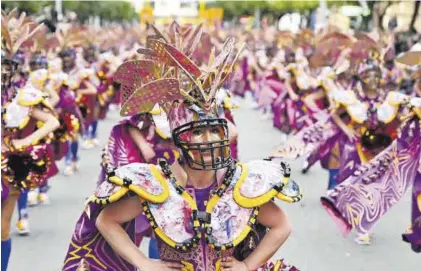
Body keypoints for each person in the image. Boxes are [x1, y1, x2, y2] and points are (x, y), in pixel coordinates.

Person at [63, 24, 301, 271]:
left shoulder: (240, 183)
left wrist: (248, 265)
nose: (208, 139)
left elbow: (281, 225)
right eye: (198, 132)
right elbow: (106, 220)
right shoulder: (157, 185)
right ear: (179, 140)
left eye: (214, 131)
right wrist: (143, 263)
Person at [1, 10, 59, 270]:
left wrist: (26, 142)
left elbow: (52, 121)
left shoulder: (21, 95)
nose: (3, 74)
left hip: (9, 164)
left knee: (2, 227)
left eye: (6, 70)